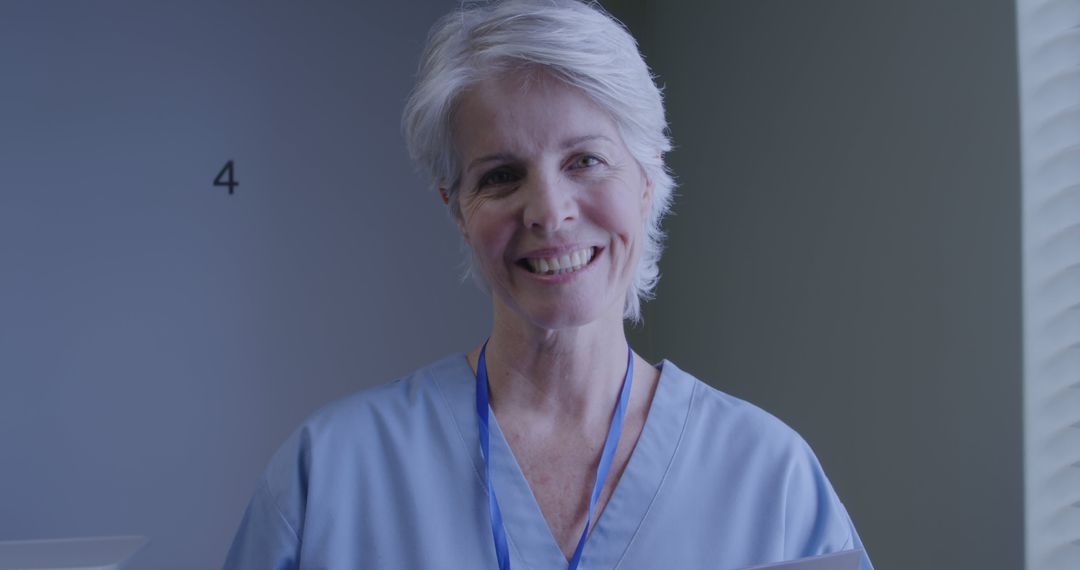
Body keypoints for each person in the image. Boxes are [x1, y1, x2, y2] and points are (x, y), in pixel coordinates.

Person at [223, 1, 874, 569]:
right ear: (457, 209)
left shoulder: (770, 480)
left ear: (646, 182)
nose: (549, 212)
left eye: (585, 160)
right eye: (501, 176)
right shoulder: (332, 477)